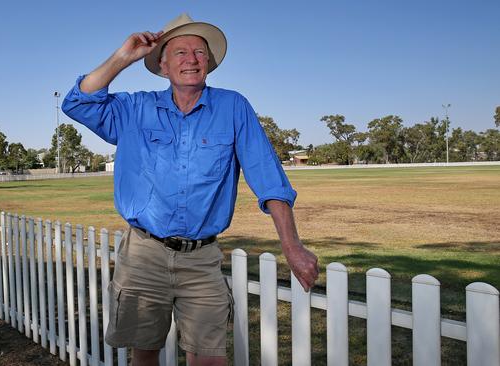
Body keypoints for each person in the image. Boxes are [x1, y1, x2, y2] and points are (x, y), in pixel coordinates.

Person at [62, 13, 319, 366]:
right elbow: (77, 102)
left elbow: (268, 177)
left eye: (200, 52)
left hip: (202, 259)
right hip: (143, 255)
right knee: (144, 354)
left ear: (209, 65)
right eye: (180, 52)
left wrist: (292, 245)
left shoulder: (232, 107)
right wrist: (123, 57)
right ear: (163, 66)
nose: (192, 59)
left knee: (210, 358)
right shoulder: (135, 109)